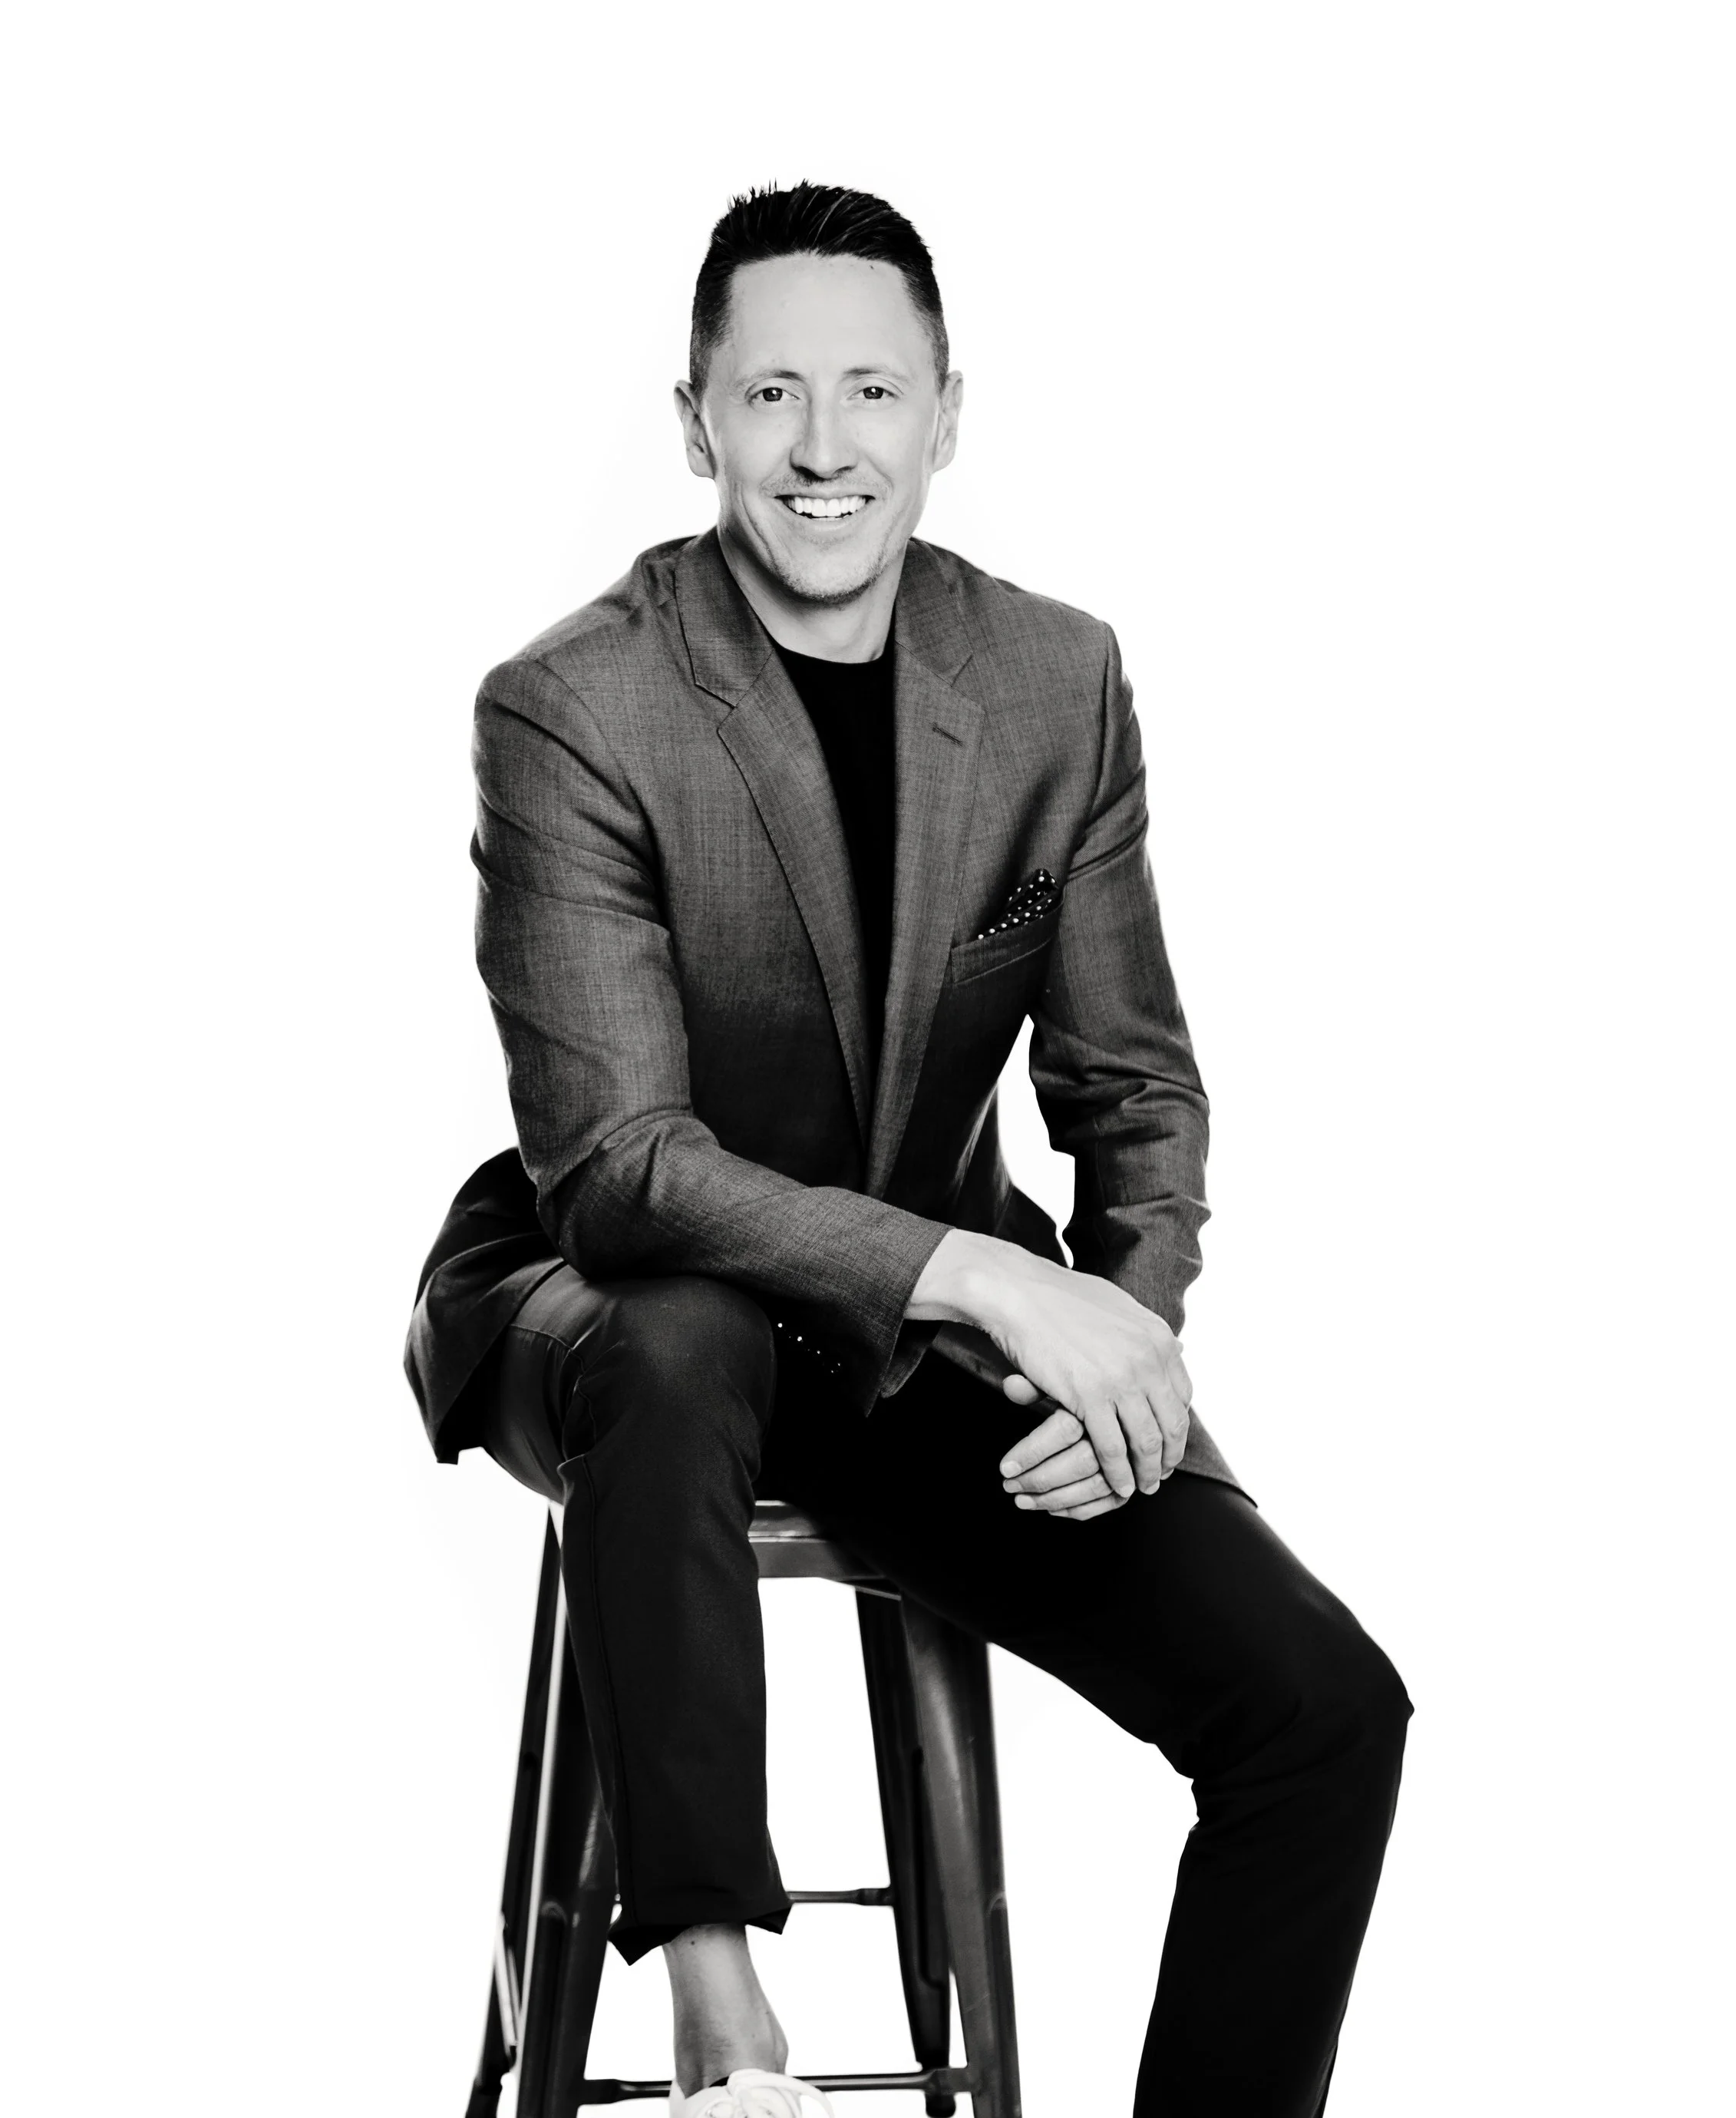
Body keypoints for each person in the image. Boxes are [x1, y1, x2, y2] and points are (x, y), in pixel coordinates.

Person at [406, 182, 1409, 2118]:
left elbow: (1130, 1088)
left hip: (913, 1351)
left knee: (1322, 1714)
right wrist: (978, 1273)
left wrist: (1114, 1330)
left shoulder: (1050, 678)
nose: (820, 445)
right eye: (768, 392)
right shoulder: (572, 705)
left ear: (948, 409)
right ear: (694, 419)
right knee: (680, 1328)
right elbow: (621, 1163)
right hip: (594, 1298)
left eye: (869, 390)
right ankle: (725, 2027)